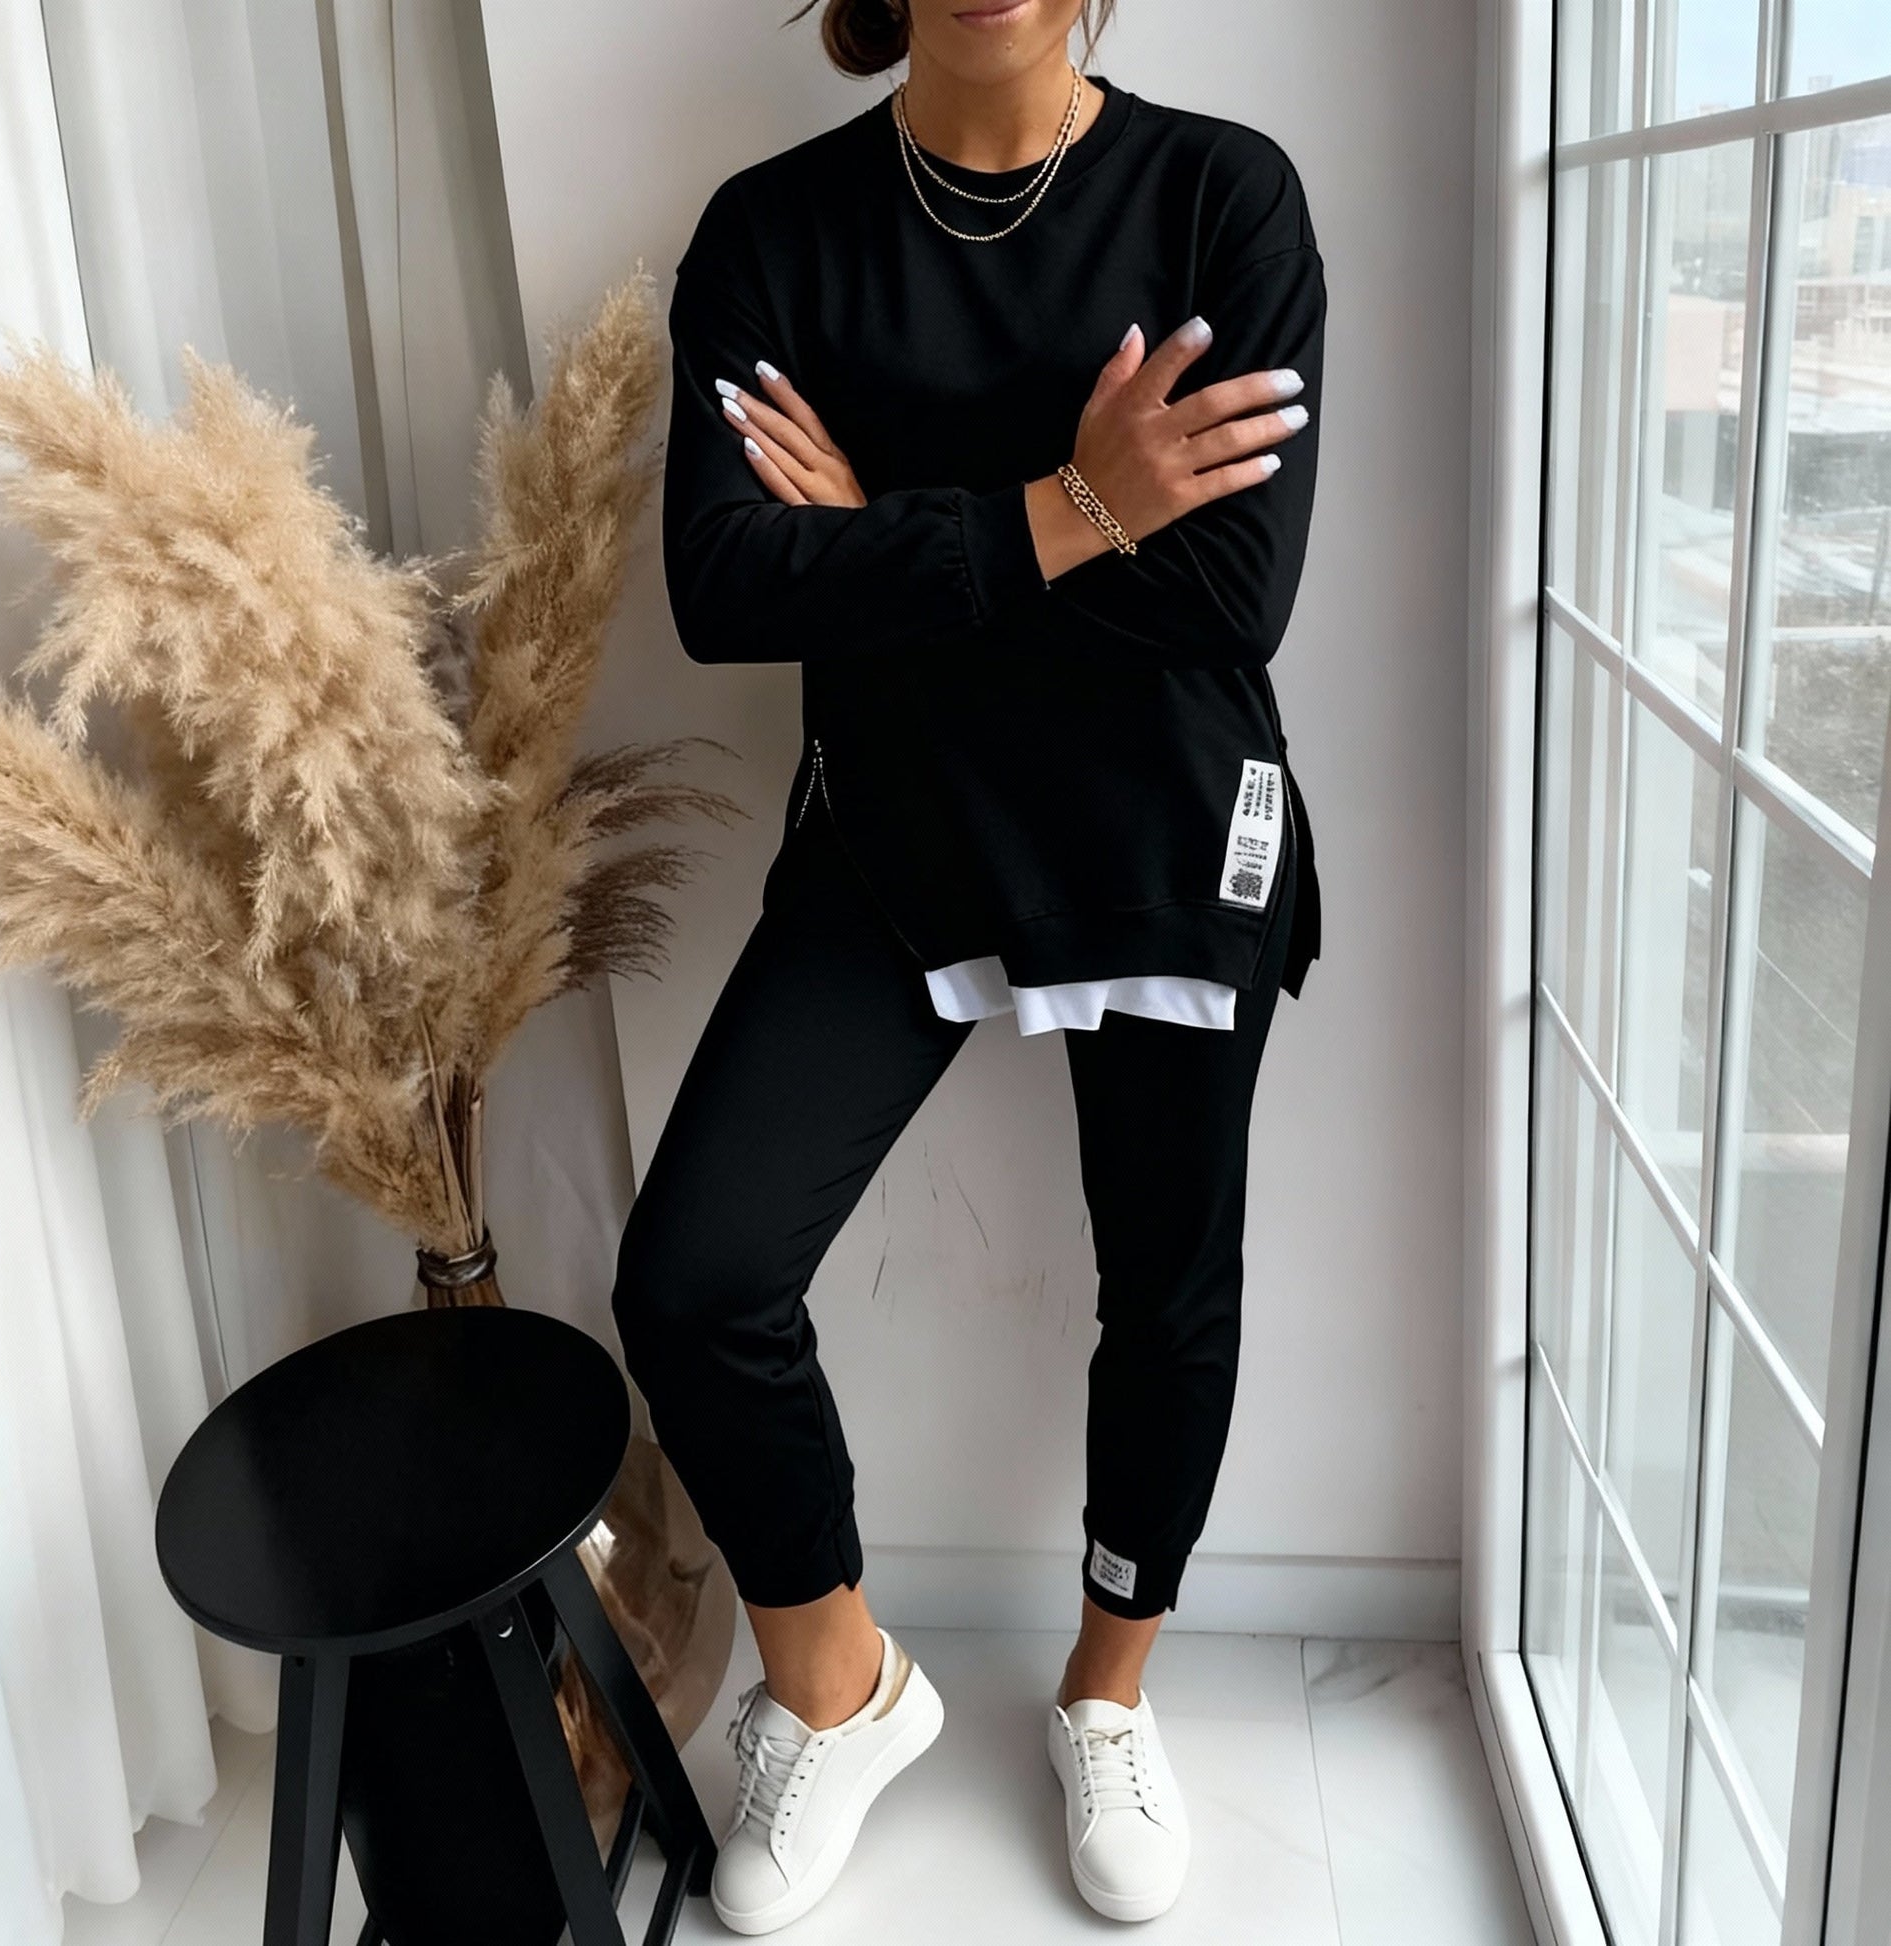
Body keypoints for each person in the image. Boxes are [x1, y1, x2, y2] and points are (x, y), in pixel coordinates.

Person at [610, 0, 1326, 1929]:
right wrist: (1075, 510)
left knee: (1166, 1289)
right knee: (693, 1278)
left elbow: (1232, 593)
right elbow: (722, 586)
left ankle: (1108, 1689)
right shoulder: (774, 231)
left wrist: (889, 546)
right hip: (896, 837)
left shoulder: (1218, 197)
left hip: (1168, 830)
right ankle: (837, 1686)